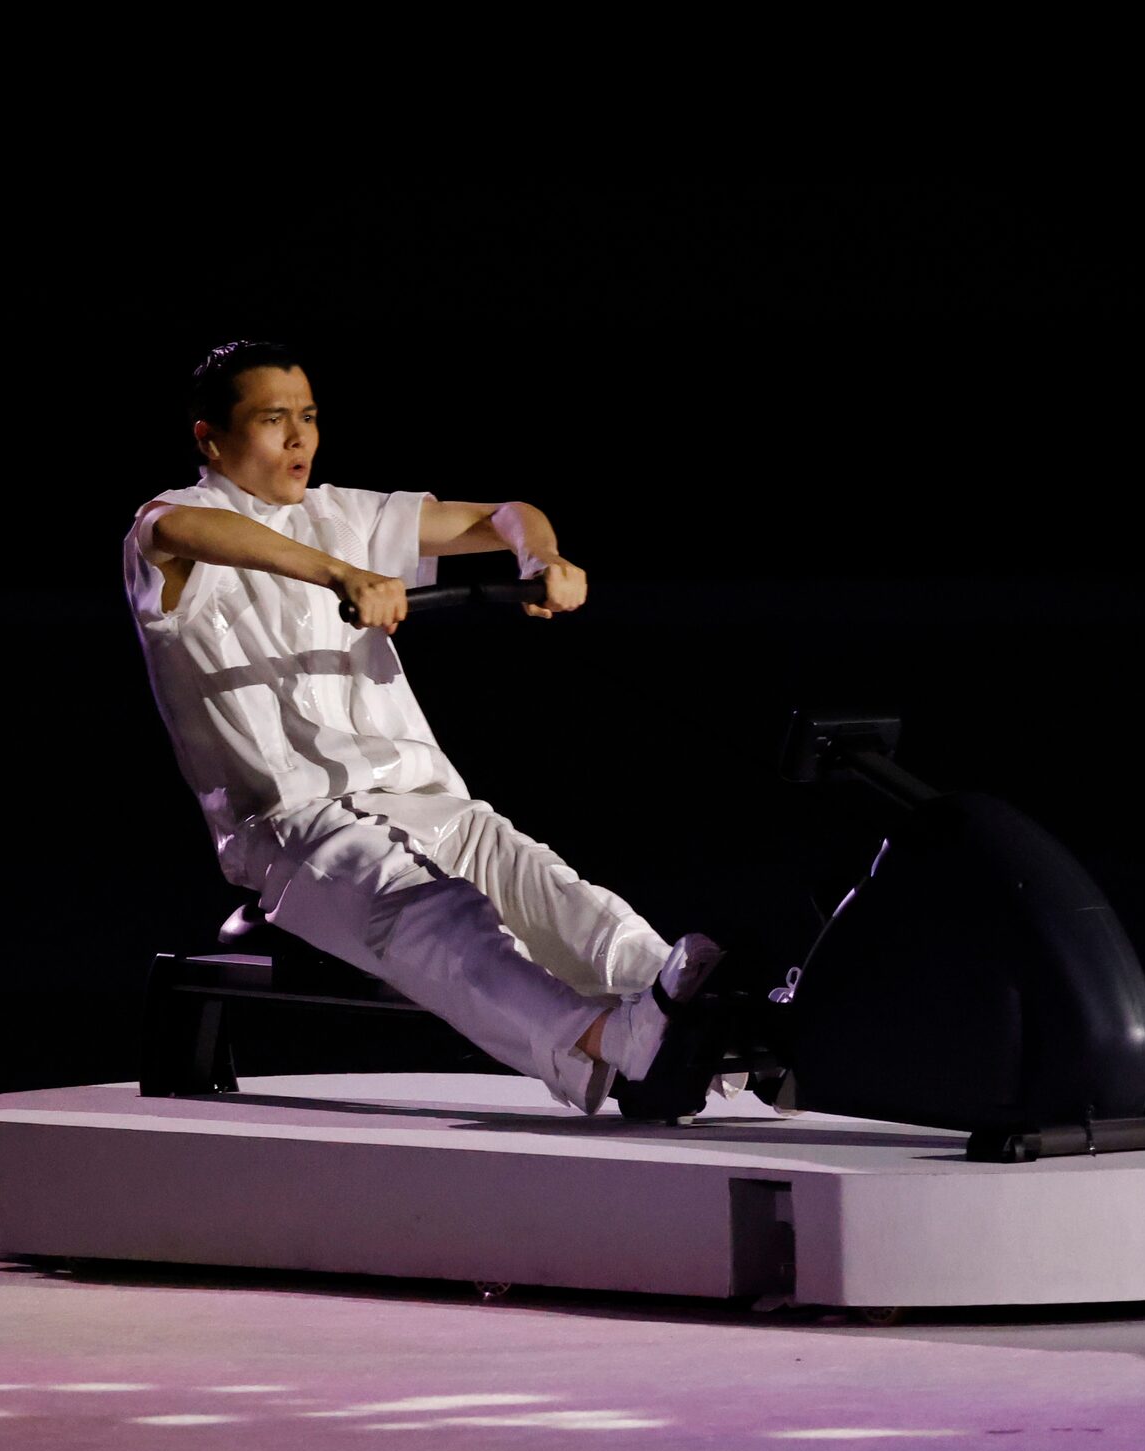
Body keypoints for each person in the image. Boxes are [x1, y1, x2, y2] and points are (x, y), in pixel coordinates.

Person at [120, 338, 726, 1119]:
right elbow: (177, 529)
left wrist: (537, 556)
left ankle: (696, 1018)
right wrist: (340, 574)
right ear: (210, 437)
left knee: (558, 895)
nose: (299, 438)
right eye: (274, 421)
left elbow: (501, 513)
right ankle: (609, 1043)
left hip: (424, 796)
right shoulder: (171, 528)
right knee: (441, 915)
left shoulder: (345, 513)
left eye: (307, 417)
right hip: (296, 826)